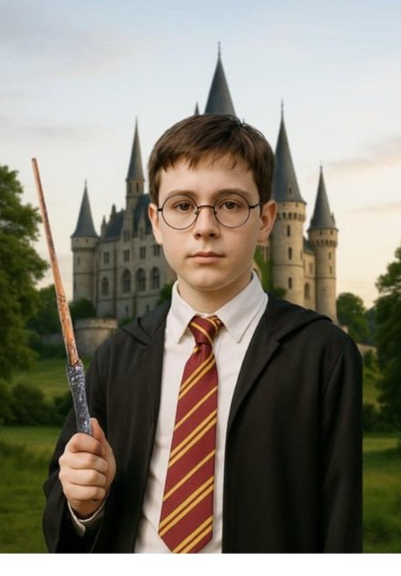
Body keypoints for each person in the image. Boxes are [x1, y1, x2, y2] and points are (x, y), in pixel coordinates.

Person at [43, 113, 362, 553]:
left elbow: (340, 523)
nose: (205, 226)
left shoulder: (323, 355)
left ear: (267, 220)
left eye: (230, 204)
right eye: (182, 206)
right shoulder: (118, 356)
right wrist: (84, 506)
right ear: (155, 222)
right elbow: (67, 508)